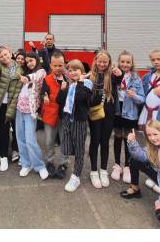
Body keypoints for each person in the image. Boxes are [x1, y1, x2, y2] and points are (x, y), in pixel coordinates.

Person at [87, 50, 123, 189]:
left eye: (105, 62)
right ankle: (94, 171)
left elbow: (120, 78)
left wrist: (120, 73)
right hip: (95, 114)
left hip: (109, 114)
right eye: (100, 61)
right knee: (94, 141)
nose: (102, 64)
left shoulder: (112, 75)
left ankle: (103, 170)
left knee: (105, 141)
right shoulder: (90, 76)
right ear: (96, 61)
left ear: (109, 63)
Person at [56, 59, 94, 192]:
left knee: (79, 149)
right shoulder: (70, 85)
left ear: (82, 72)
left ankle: (76, 175)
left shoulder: (87, 84)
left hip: (79, 120)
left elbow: (80, 98)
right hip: (67, 118)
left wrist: (81, 81)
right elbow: (59, 101)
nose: (72, 73)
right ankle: (70, 162)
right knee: (65, 147)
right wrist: (62, 90)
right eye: (70, 70)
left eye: (75, 70)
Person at [112, 50, 145, 184]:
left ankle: (127, 166)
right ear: (118, 62)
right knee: (117, 137)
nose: (125, 64)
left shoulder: (135, 78)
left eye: (128, 62)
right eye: (122, 61)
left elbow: (142, 99)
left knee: (128, 139)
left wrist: (134, 96)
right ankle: (116, 165)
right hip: (117, 111)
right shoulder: (114, 75)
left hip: (130, 113)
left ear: (132, 64)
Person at [15, 51, 49, 179]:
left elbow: (36, 77)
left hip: (30, 111)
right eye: (27, 61)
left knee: (30, 140)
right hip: (19, 109)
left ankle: (40, 166)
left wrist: (27, 78)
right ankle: (26, 164)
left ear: (36, 60)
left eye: (31, 61)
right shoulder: (24, 72)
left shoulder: (41, 72)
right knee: (21, 138)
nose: (29, 63)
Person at [41, 51, 70, 179]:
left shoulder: (68, 79)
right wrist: (44, 96)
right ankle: (50, 161)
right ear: (51, 65)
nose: (58, 68)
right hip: (50, 114)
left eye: (60, 65)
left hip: (64, 116)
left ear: (64, 64)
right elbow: (43, 92)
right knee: (48, 141)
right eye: (55, 66)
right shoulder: (46, 79)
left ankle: (63, 163)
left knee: (65, 141)